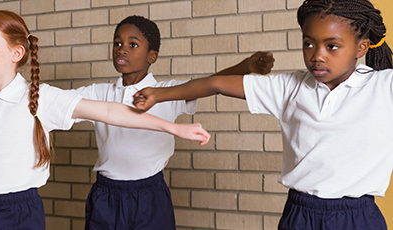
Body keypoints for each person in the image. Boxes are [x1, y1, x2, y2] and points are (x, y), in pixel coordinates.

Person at [0, 10, 210, 229]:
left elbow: (112, 111)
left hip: (19, 211)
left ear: (16, 53)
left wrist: (172, 126)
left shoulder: (41, 96)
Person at [133, 0, 392, 229]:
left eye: (332, 46)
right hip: (300, 215)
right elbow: (215, 84)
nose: (317, 56)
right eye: (309, 44)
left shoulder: (384, 87)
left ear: (362, 48)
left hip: (357, 217)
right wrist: (157, 94)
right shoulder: (289, 87)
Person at [72, 15, 274, 229]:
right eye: (117, 43)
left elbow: (209, 84)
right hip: (106, 195)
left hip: (150, 196)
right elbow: (59, 103)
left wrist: (246, 66)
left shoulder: (168, 92)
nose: (122, 49)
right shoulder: (98, 92)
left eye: (133, 44)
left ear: (152, 56)